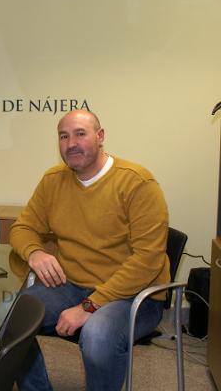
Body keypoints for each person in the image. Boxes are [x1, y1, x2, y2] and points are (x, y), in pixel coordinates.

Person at [9, 110, 169, 391]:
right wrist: (35, 252)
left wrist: (89, 306)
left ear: (100, 136)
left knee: (97, 336)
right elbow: (22, 228)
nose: (71, 143)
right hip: (72, 286)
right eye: (63, 136)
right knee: (8, 318)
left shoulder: (137, 182)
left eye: (80, 133)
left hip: (134, 295)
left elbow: (148, 260)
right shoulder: (53, 180)